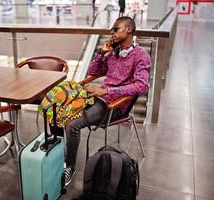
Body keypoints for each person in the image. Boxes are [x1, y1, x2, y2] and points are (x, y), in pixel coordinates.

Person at [63, 16, 151, 186]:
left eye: (116, 29)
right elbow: (93, 71)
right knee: (60, 111)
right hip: (99, 99)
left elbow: (141, 87)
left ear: (129, 30)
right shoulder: (114, 53)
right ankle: (57, 156)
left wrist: (107, 91)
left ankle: (70, 166)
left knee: (72, 125)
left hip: (114, 105)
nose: (112, 32)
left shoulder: (141, 55)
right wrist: (102, 53)